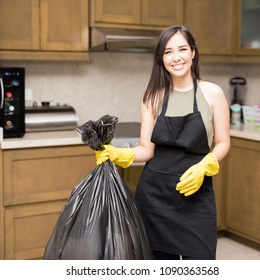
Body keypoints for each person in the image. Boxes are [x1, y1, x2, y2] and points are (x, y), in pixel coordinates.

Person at [96, 25, 230, 260]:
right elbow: (146, 150)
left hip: (196, 196)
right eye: (168, 52)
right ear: (161, 57)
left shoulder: (212, 93)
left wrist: (204, 165)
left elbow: (222, 142)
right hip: (154, 198)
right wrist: (117, 154)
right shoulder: (152, 97)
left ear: (193, 53)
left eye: (182, 49)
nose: (176, 57)